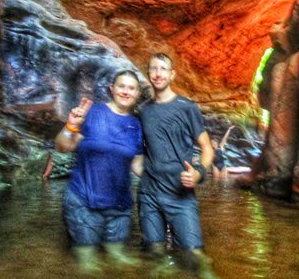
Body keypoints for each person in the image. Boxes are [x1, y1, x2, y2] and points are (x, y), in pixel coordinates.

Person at [55, 70, 144, 271]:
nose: (126, 91)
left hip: (120, 206)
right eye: (121, 86)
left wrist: (165, 177)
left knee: (118, 257)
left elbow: (137, 163)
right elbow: (62, 146)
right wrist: (70, 126)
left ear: (137, 94)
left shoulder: (136, 125)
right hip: (84, 201)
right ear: (112, 89)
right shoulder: (93, 113)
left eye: (131, 88)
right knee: (88, 263)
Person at [138, 52, 214, 271]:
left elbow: (207, 148)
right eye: (153, 68)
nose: (158, 73)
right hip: (149, 194)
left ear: (172, 75)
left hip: (180, 193)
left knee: (194, 255)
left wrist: (198, 172)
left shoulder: (187, 107)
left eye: (163, 69)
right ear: (148, 74)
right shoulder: (143, 110)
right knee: (154, 253)